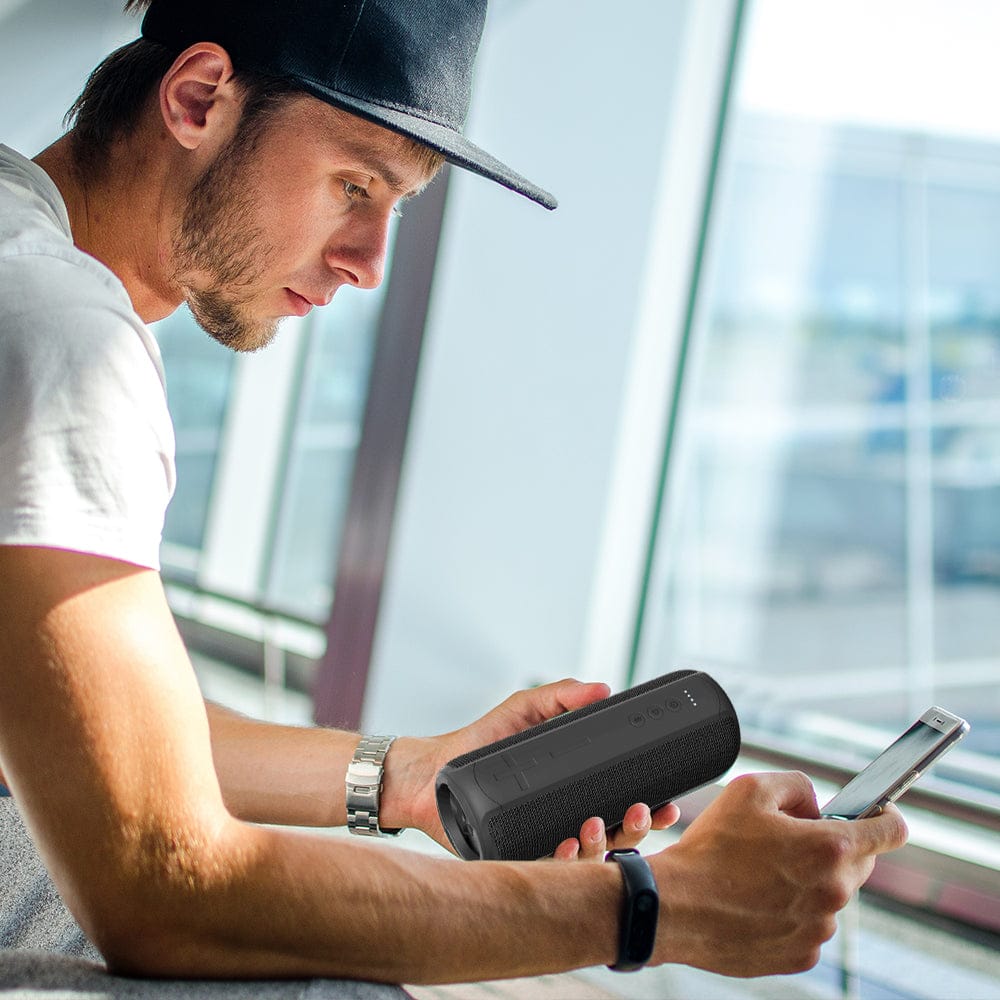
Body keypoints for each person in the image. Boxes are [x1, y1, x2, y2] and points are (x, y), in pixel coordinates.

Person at [0, 0, 907, 988]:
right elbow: (162, 886)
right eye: (353, 184)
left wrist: (410, 776)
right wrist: (662, 906)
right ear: (198, 97)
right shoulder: (62, 334)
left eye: (395, 208)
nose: (368, 261)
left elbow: (102, 733)